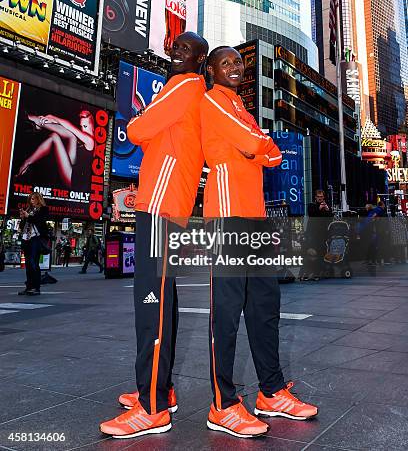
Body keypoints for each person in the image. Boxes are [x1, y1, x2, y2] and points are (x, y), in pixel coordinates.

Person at [200, 46, 318, 438]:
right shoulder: (211, 101)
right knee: (228, 313)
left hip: (256, 217)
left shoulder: (241, 108)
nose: (236, 66)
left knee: (266, 306)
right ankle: (223, 404)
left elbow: (269, 154)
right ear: (211, 70)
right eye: (226, 62)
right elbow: (257, 145)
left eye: (239, 61)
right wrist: (257, 144)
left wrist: (258, 144)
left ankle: (271, 391)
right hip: (227, 215)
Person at [100, 32, 209, 439]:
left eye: (187, 49)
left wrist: (143, 126)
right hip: (164, 199)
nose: (176, 51)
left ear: (199, 60)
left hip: (161, 202)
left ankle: (153, 407)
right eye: (175, 46)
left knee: (153, 303)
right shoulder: (189, 88)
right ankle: (159, 389)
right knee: (163, 297)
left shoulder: (183, 86)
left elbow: (138, 127)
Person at [17, 110, 95, 193]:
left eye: (85, 126)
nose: (83, 129)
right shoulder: (88, 138)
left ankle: (26, 162)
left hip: (74, 180)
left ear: (92, 126)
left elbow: (71, 127)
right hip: (74, 167)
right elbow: (69, 129)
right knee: (72, 136)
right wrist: (54, 121)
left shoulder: (90, 141)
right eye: (81, 126)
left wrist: (53, 117)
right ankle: (37, 122)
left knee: (55, 136)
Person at [18, 192, 49, 296]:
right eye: (30, 199)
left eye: (34, 199)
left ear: (38, 199)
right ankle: (29, 287)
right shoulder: (28, 210)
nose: (32, 201)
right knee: (28, 264)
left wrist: (28, 217)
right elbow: (23, 226)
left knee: (33, 263)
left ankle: (36, 287)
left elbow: (39, 221)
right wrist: (23, 217)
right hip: (27, 238)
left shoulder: (43, 209)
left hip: (36, 238)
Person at [300, 190, 332, 281]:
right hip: (312, 234)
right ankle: (308, 272)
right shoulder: (311, 206)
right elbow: (312, 215)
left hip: (322, 234)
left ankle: (317, 273)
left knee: (321, 253)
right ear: (315, 197)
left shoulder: (326, 206)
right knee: (311, 253)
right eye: (318, 196)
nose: (320, 198)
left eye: (321, 197)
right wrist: (319, 208)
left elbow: (330, 218)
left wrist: (327, 210)